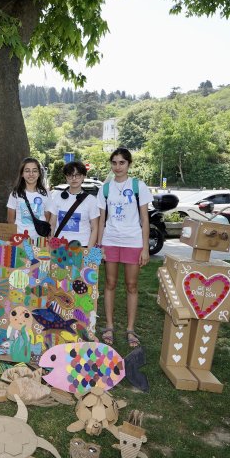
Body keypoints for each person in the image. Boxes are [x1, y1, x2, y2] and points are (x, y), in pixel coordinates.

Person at [96, 147, 153, 348]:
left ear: (129, 164)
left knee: (131, 285)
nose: (118, 167)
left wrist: (145, 248)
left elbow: (145, 219)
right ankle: (109, 326)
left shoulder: (139, 186)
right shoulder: (105, 188)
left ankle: (130, 329)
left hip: (133, 241)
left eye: (122, 163)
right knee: (110, 284)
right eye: (114, 162)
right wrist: (100, 245)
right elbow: (102, 220)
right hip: (111, 240)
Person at [46, 160, 100, 247]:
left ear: (83, 177)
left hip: (82, 246)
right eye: (70, 175)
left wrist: (88, 249)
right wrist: (51, 242)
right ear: (66, 177)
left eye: (77, 175)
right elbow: (52, 223)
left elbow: (94, 228)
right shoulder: (57, 197)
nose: (74, 178)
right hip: (60, 246)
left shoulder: (91, 200)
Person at [6, 157, 50, 239]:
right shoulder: (15, 194)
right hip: (20, 239)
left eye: (34, 170)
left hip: (40, 239)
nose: (31, 174)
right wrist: (16, 238)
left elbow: (47, 217)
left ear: (39, 173)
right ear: (22, 174)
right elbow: (10, 220)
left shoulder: (46, 194)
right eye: (27, 171)